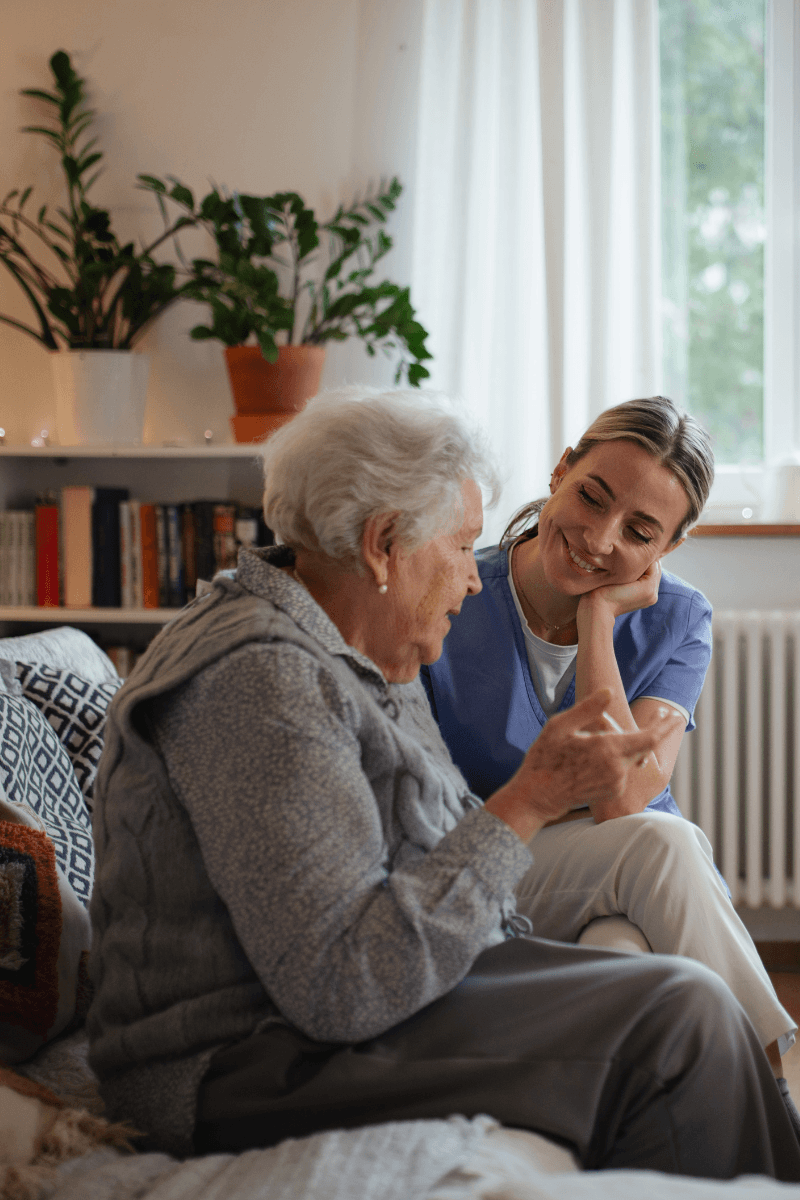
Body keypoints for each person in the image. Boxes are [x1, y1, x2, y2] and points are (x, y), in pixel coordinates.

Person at [87, 387, 800, 1179]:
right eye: (462, 547)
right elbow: (342, 988)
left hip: (342, 1003)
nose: (473, 579)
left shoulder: (358, 646)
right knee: (679, 1016)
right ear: (384, 544)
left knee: (666, 988)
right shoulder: (264, 682)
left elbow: (424, 854)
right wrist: (530, 798)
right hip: (241, 1056)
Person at [421, 394, 797, 1093]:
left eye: (639, 530)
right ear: (561, 470)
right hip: (492, 864)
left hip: (619, 879)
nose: (599, 539)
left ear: (668, 549)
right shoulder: (455, 588)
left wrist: (598, 620)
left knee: (624, 954)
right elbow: (631, 813)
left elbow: (619, 801)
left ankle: (673, 1148)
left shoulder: (680, 618)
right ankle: (773, 1097)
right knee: (665, 843)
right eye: (592, 497)